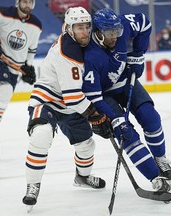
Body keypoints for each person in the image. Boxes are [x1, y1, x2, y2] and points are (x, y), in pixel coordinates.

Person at [22, 7, 108, 212]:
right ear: (68, 28)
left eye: (87, 26)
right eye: (79, 27)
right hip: (48, 100)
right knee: (41, 135)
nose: (85, 31)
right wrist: (96, 115)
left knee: (87, 145)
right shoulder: (68, 51)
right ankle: (32, 185)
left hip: (70, 103)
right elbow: (73, 97)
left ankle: (83, 177)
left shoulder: (80, 42)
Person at [82, 8, 171, 193]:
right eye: (110, 33)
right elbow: (94, 97)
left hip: (125, 81)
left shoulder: (121, 25)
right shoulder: (89, 56)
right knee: (126, 133)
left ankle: (160, 158)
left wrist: (138, 54)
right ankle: (155, 177)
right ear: (98, 33)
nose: (115, 37)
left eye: (116, 32)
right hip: (104, 96)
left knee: (152, 118)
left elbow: (144, 22)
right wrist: (113, 119)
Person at [0, 0, 42, 159]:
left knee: (3, 98)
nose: (27, 4)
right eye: (24, 1)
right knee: (4, 91)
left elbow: (32, 48)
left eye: (30, 2)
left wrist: (28, 67)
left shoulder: (36, 24)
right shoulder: (2, 12)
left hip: (15, 69)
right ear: (18, 2)